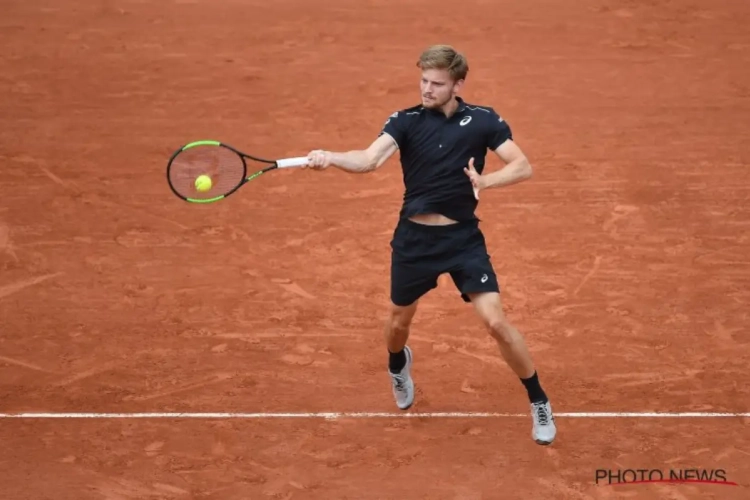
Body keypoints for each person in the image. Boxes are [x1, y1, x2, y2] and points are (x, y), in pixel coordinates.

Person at [304, 44, 556, 445]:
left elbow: (522, 165)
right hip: (415, 240)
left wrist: (486, 182)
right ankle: (397, 364)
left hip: (462, 239)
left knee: (496, 323)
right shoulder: (406, 121)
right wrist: (331, 156)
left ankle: (538, 399)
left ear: (457, 84)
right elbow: (369, 159)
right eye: (423, 80)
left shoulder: (483, 120)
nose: (426, 88)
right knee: (398, 323)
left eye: (436, 83)